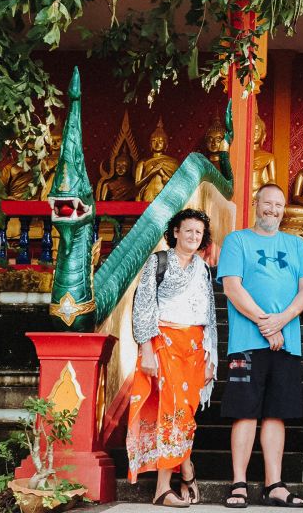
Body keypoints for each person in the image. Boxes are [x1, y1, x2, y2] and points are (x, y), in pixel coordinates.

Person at [217, 183, 303, 508]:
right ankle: (239, 484)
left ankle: (274, 483)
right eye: (267, 203)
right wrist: (265, 322)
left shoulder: (296, 244)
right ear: (256, 203)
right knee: (244, 412)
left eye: (278, 205)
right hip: (247, 342)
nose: (272, 210)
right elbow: (232, 287)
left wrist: (281, 321)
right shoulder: (237, 241)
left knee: (277, 414)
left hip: (286, 342)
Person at [127, 209, 217, 508]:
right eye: (188, 230)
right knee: (172, 411)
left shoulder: (203, 269)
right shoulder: (159, 261)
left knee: (186, 415)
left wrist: (211, 356)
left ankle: (186, 468)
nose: (193, 237)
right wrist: (147, 349)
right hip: (165, 341)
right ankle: (164, 487)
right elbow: (143, 305)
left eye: (199, 233)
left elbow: (210, 316)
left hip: (194, 348)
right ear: (176, 232)